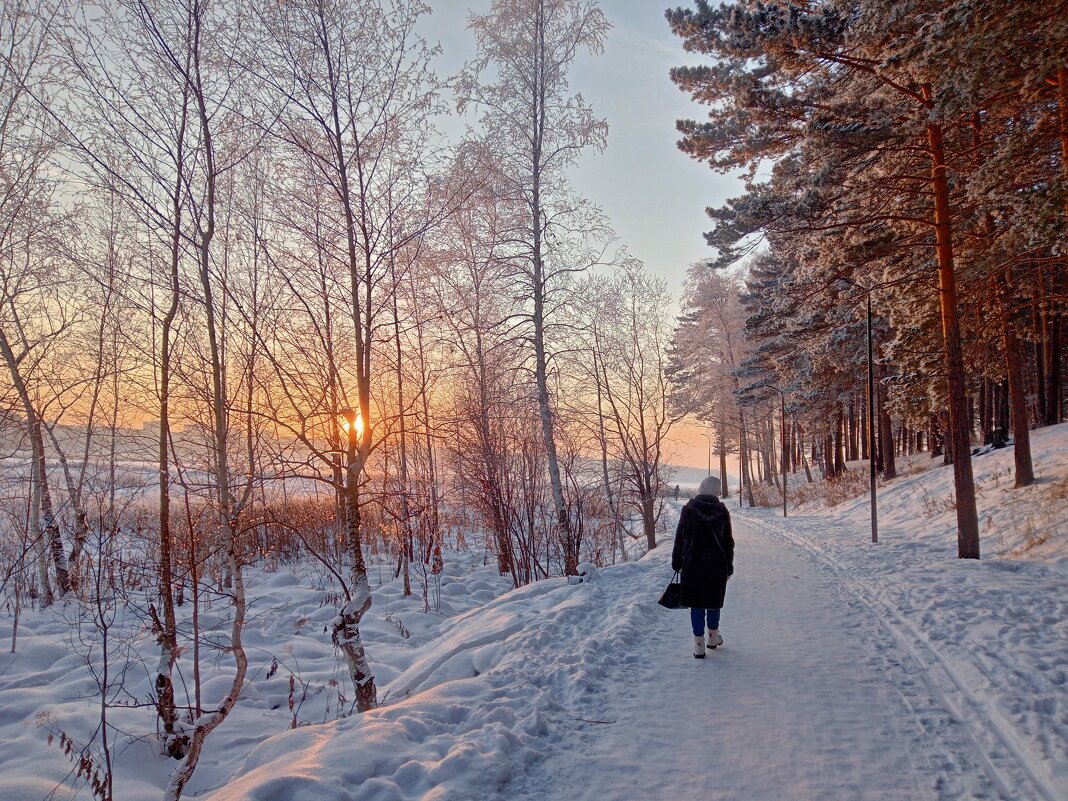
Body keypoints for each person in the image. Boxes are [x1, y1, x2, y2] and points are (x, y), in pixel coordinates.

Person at [671, 474, 734, 659]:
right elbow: (728, 542)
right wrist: (728, 567)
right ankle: (713, 637)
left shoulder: (689, 509)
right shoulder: (722, 511)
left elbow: (680, 538)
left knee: (697, 604)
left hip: (693, 563)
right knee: (713, 603)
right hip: (717, 564)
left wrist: (677, 562)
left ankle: (698, 644)